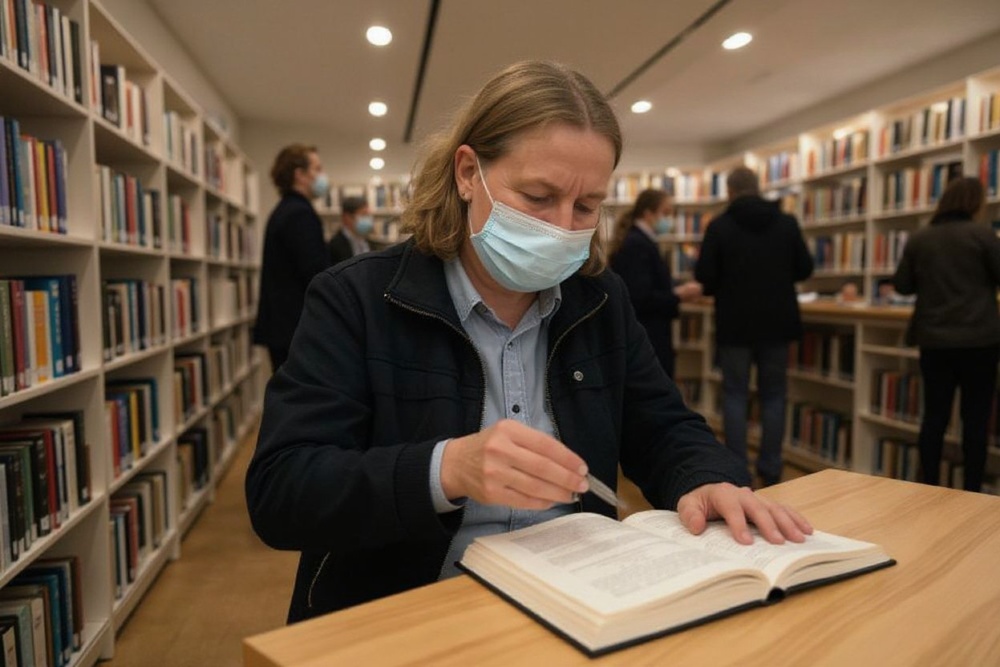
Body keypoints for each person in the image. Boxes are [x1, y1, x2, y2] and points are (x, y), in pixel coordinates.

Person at [245, 61, 812, 625]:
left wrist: (706, 476)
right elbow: (282, 490)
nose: (564, 227)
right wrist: (448, 469)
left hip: (578, 601)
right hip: (412, 609)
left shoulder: (599, 299)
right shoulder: (357, 299)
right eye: (539, 196)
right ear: (468, 173)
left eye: (586, 206)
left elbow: (663, 425)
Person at [693, 167, 814, 487]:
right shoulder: (786, 223)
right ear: (758, 188)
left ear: (730, 192)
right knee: (774, 394)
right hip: (778, 322)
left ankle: (738, 470)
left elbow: (705, 275)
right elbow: (805, 268)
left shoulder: (719, 226)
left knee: (735, 394)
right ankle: (772, 468)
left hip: (735, 323)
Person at [892, 176, 1000, 492]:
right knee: (976, 422)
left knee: (934, 417)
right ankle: (972, 491)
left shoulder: (920, 239)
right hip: (980, 340)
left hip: (934, 340)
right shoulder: (983, 235)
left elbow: (902, 285)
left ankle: (929, 488)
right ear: (974, 203)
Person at [253, 144, 333, 372]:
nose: (322, 176)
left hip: (283, 327)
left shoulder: (285, 209)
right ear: (300, 175)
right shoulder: (299, 214)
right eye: (317, 169)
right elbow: (316, 273)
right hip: (295, 329)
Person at [608, 189, 695, 378]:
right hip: (648, 333)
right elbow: (640, 297)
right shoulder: (637, 244)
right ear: (648, 213)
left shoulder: (641, 240)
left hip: (648, 331)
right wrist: (678, 295)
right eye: (665, 213)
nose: (669, 220)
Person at [328, 196, 373, 265]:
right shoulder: (334, 246)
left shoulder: (369, 242)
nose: (368, 220)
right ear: (347, 218)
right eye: (363, 215)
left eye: (368, 215)